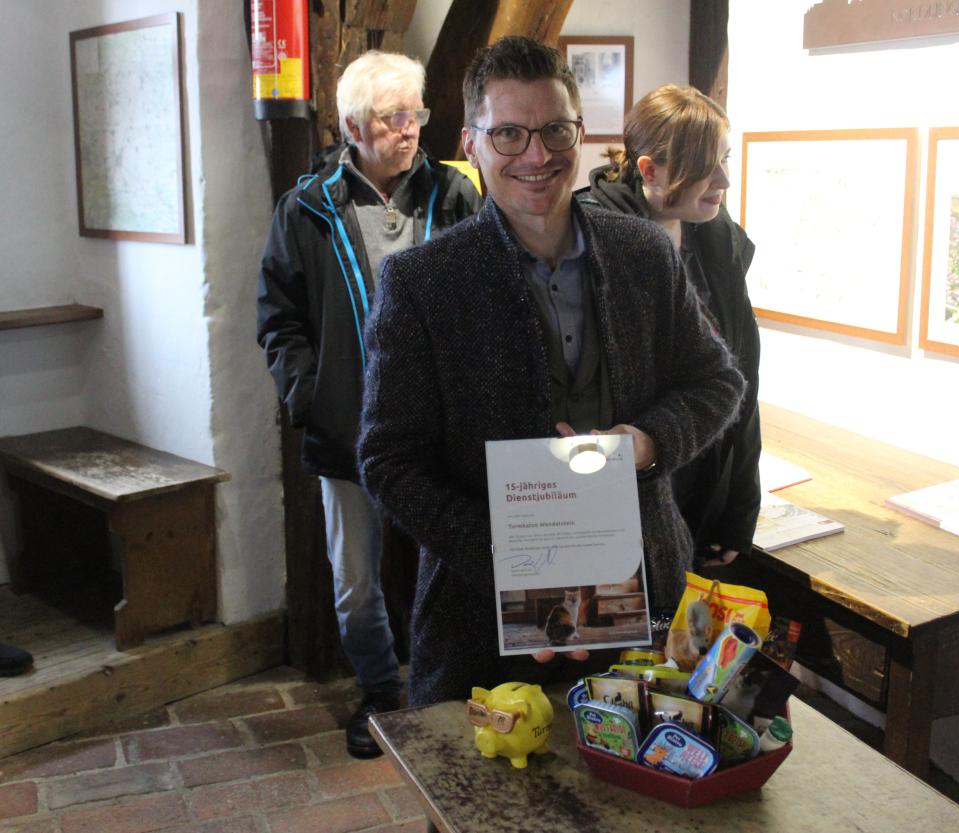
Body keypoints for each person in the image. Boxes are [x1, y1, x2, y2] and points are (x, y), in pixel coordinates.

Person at [357, 36, 747, 707]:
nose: (536, 155)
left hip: (643, 604)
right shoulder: (421, 283)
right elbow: (388, 460)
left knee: (639, 792)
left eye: (555, 130)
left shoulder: (645, 253)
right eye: (508, 133)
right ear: (471, 143)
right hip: (480, 618)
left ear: (581, 134)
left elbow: (719, 383)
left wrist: (649, 443)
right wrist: (516, 568)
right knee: (490, 802)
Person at [256, 50, 481, 758]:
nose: (410, 128)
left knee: (451, 562)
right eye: (393, 117)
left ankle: (438, 691)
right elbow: (277, 318)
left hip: (443, 433)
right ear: (354, 126)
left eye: (415, 112)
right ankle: (381, 692)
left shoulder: (454, 196)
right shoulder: (308, 207)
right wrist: (310, 395)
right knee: (355, 583)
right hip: (347, 428)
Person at [580, 84, 762, 572]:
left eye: (725, 158)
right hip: (630, 501)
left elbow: (743, 382)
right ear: (648, 170)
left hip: (704, 492)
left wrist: (739, 510)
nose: (723, 179)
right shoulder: (591, 244)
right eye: (706, 165)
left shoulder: (718, 241)